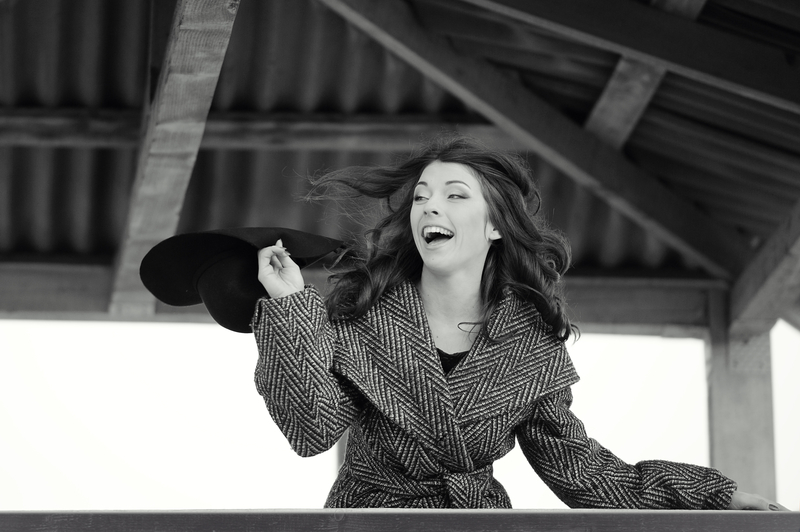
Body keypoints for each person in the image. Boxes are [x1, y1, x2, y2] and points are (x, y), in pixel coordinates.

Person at [251, 134, 786, 510]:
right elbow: (310, 429)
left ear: (495, 226)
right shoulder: (364, 314)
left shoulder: (530, 348)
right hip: (368, 522)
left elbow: (585, 475)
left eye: (455, 195)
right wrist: (289, 306)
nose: (429, 207)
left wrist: (713, 496)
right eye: (421, 197)